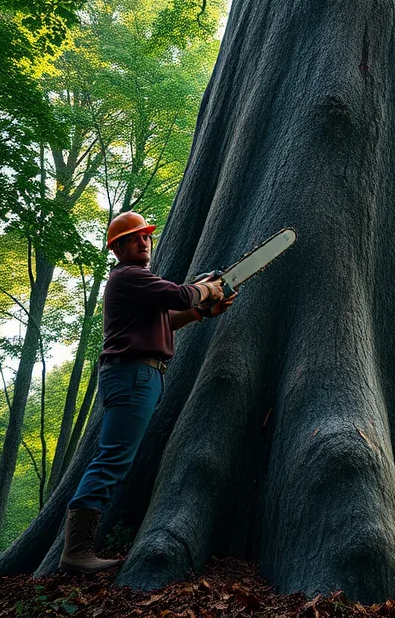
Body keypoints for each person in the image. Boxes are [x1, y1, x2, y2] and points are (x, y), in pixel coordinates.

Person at [59, 210, 235, 574]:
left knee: (116, 457)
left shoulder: (140, 286)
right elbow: (181, 295)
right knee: (111, 459)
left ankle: (80, 546)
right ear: (118, 247)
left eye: (147, 237)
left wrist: (204, 312)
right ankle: (76, 550)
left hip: (143, 376)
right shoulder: (127, 277)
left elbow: (170, 318)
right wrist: (206, 289)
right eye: (135, 237)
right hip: (132, 374)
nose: (144, 241)